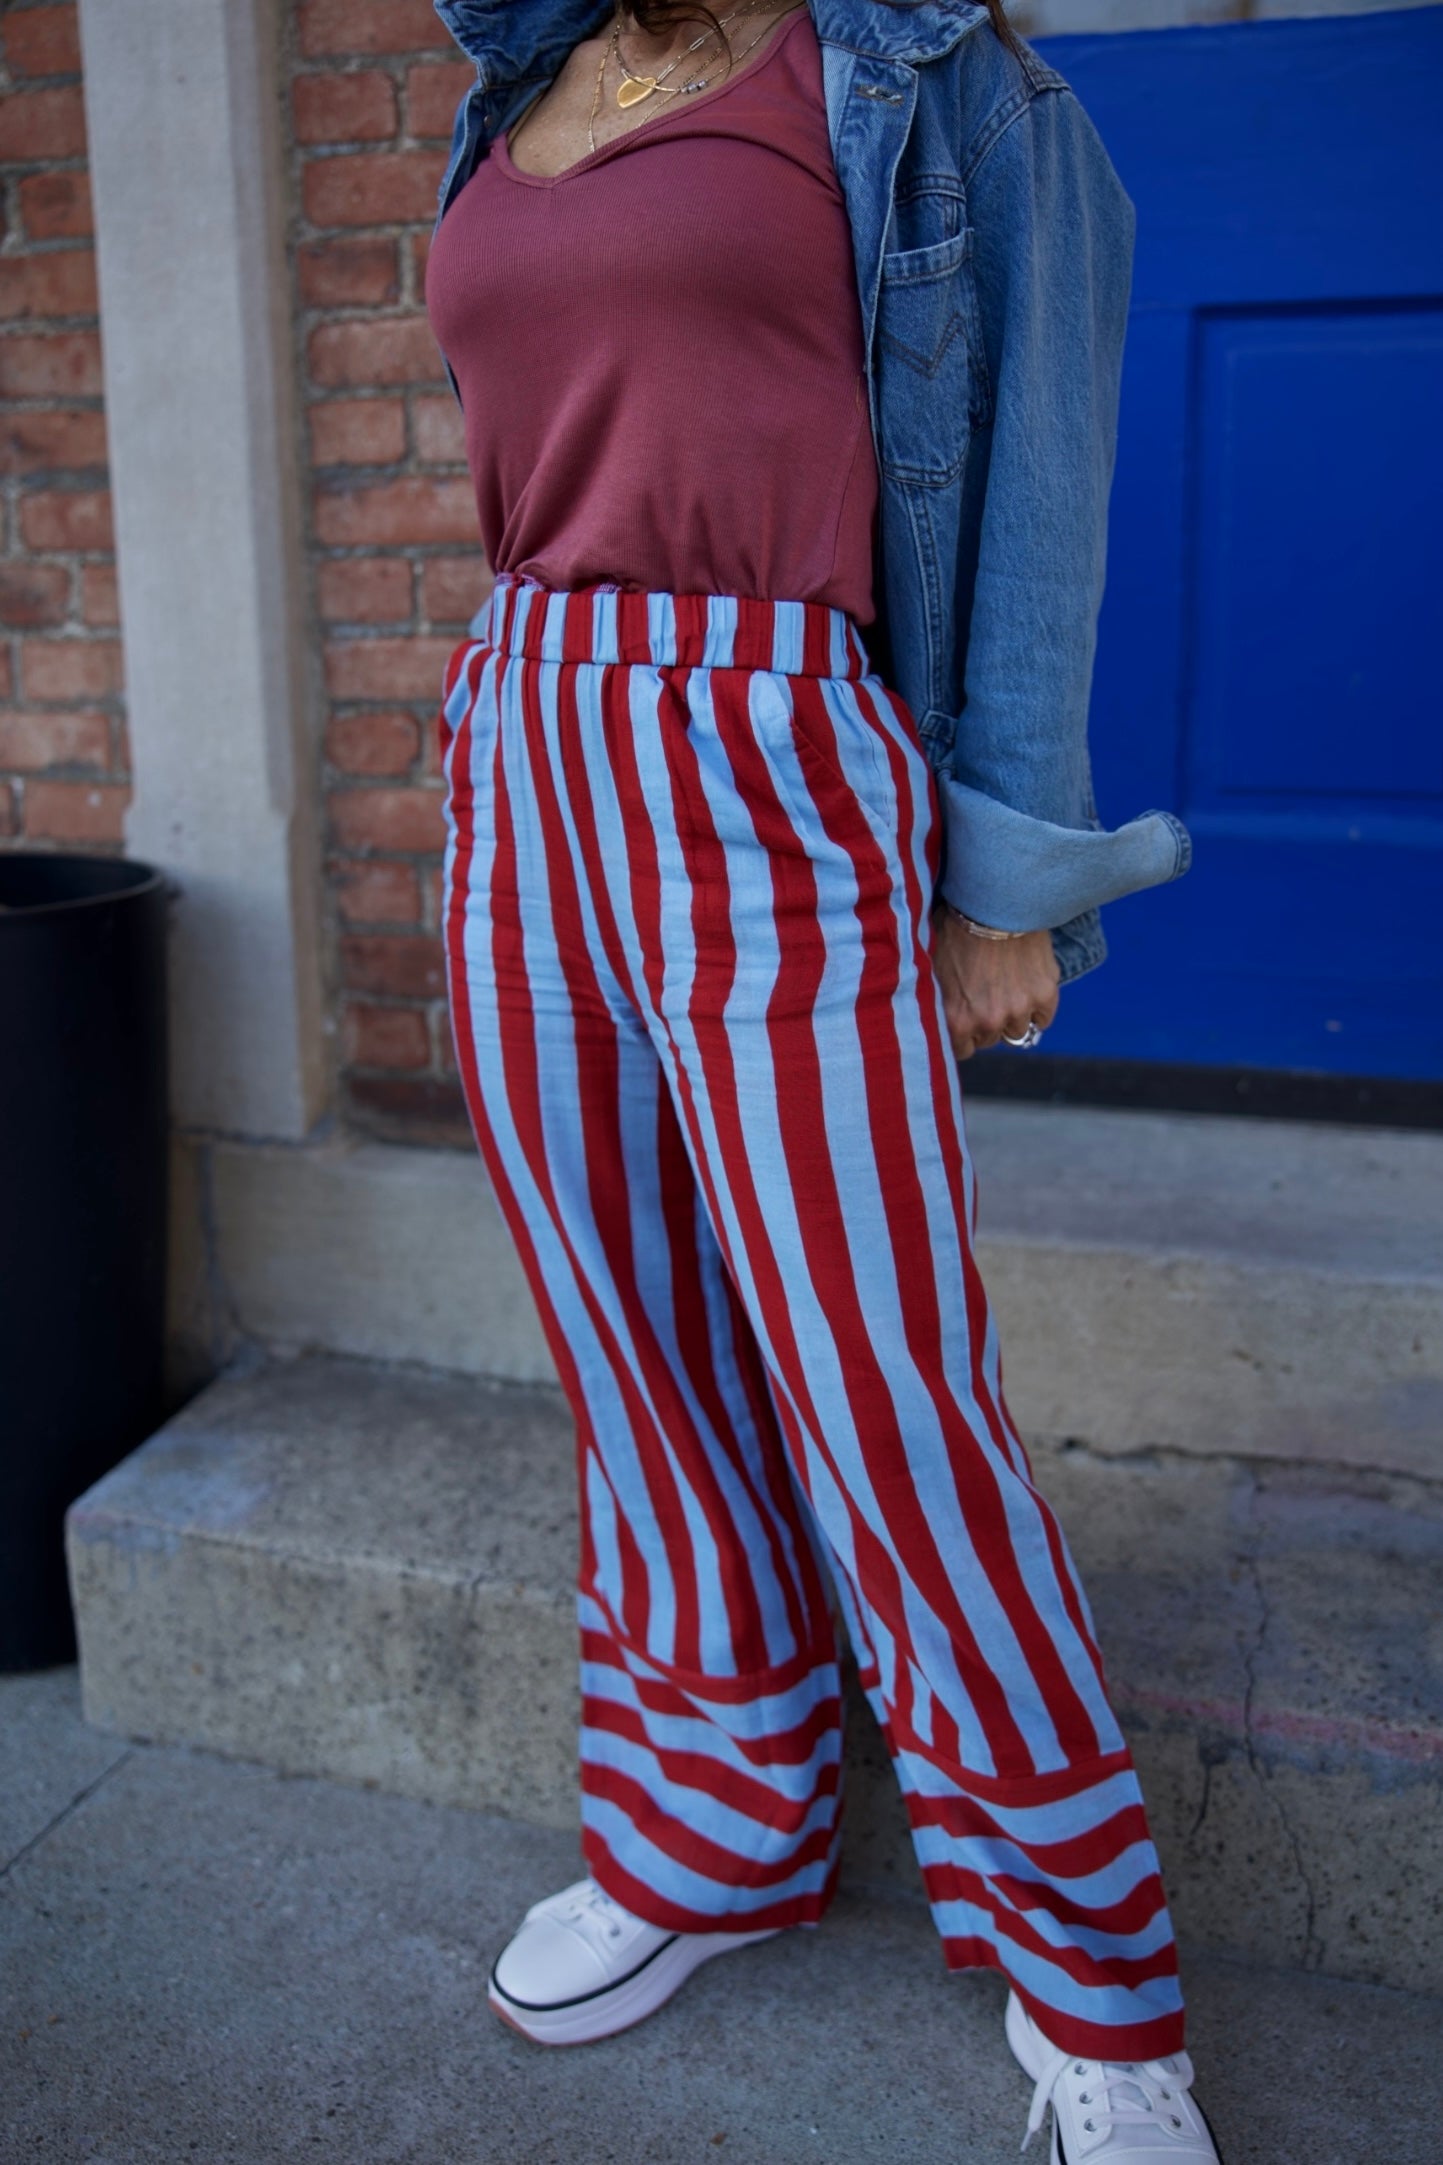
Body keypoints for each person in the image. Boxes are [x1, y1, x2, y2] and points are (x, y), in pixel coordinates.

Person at [424, 2, 1215, 2156]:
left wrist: (1002, 882)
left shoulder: (927, 77)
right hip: (523, 746)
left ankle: (1092, 1984)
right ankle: (702, 1837)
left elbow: (1036, 487)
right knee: (630, 1349)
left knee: (881, 1383)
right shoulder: (522, 78)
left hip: (768, 744)